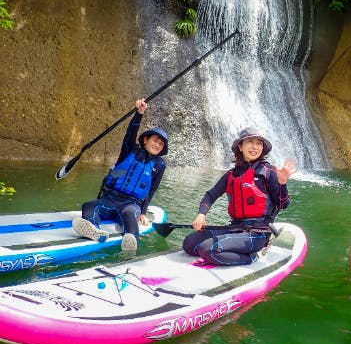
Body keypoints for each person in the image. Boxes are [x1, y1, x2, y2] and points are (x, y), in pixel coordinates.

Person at [182, 128, 297, 266]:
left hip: (256, 233)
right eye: (250, 142)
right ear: (240, 146)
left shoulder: (268, 171)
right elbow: (210, 195)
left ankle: (252, 257)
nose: (255, 147)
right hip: (235, 228)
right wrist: (201, 214)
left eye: (259, 143)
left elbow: (283, 204)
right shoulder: (231, 174)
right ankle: (234, 251)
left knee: (207, 249)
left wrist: (282, 184)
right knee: (189, 243)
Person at [72, 98, 168, 254]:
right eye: (155, 141)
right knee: (88, 206)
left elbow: (152, 190)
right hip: (110, 198)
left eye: (161, 144)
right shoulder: (129, 150)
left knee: (129, 214)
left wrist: (143, 212)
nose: (157, 145)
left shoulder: (159, 165)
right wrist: (139, 114)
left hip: (131, 203)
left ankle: (131, 239)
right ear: (145, 140)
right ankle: (94, 231)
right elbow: (130, 133)